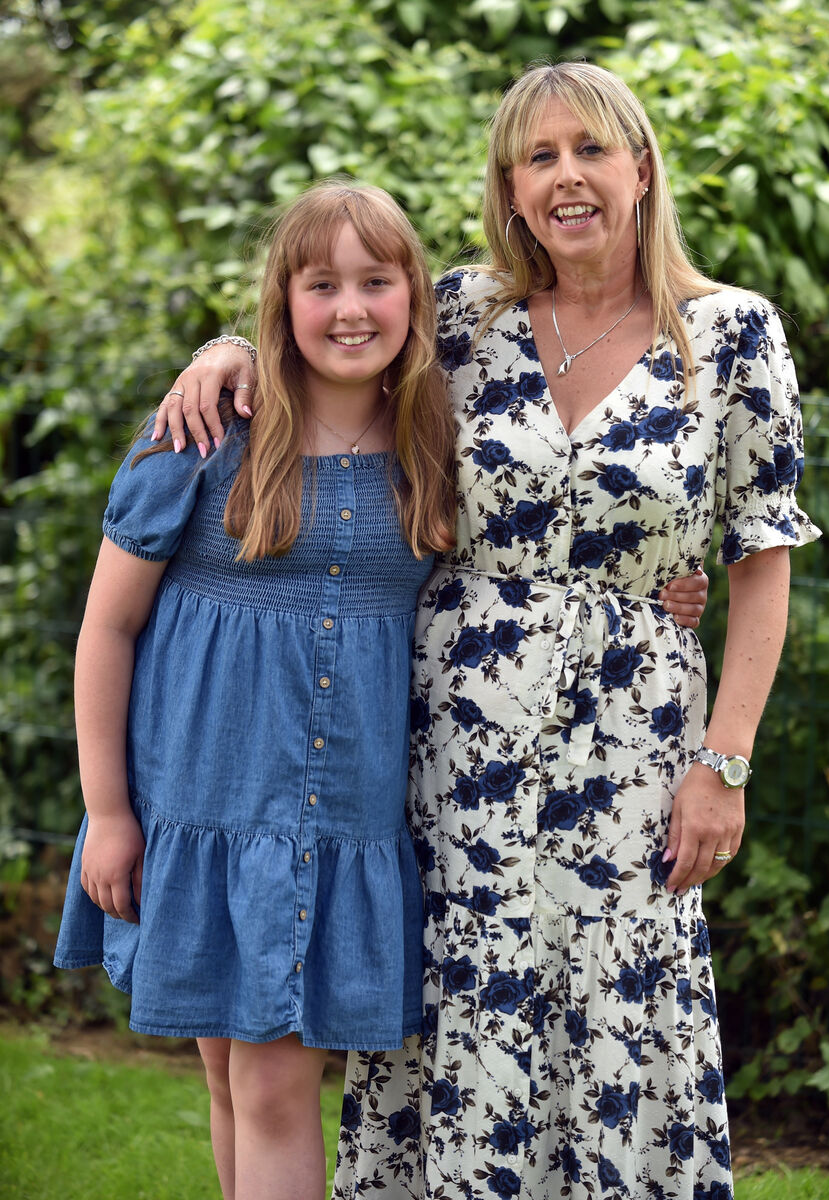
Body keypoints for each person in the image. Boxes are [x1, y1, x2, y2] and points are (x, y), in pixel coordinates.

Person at [152, 61, 801, 1200]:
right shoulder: (462, 315)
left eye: (591, 150)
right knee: (461, 1006)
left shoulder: (733, 336)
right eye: (537, 157)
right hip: (452, 745)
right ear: (508, 186)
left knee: (614, 1014)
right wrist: (233, 356)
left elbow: (761, 567)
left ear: (640, 169)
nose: (567, 178)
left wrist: (724, 764)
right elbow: (335, 350)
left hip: (636, 748)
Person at [53, 180, 458, 1200]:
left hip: (335, 825)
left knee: (269, 1087)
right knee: (239, 1083)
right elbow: (108, 626)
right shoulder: (204, 438)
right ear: (282, 300)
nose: (352, 309)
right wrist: (107, 810)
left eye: (378, 280)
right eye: (322, 284)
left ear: (415, 296)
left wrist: (667, 591)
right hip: (200, 806)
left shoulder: (435, 446)